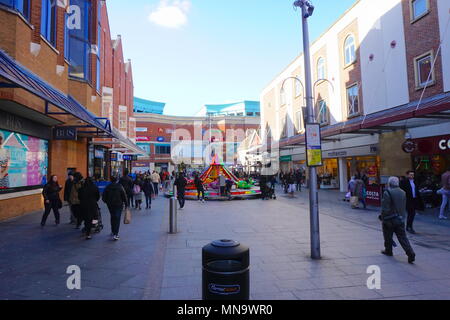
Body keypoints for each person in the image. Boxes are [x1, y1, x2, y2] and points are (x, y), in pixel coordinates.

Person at [380, 176, 416, 264]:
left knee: (388, 235)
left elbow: (386, 207)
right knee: (402, 237)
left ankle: (388, 250)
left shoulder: (387, 192)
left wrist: (383, 216)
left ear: (389, 183)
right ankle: (410, 252)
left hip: (389, 218)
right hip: (400, 218)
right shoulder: (403, 192)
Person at [102, 176, 128, 241]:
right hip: (118, 204)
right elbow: (124, 195)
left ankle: (113, 231)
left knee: (112, 216)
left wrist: (107, 202)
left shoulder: (108, 187)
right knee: (117, 218)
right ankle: (115, 234)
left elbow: (103, 197)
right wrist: (126, 204)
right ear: (116, 180)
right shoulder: (120, 186)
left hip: (110, 205)